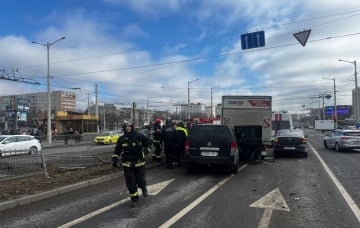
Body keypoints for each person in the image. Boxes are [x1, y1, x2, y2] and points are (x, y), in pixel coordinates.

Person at [111, 121, 152, 207]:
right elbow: (117, 150)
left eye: (129, 126)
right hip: (127, 164)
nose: (127, 128)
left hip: (139, 163)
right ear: (124, 128)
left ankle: (143, 188)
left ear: (131, 127)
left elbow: (148, 144)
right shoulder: (121, 139)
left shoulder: (139, 136)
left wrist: (144, 153)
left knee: (140, 180)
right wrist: (114, 159)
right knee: (130, 183)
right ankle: (135, 199)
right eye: (125, 127)